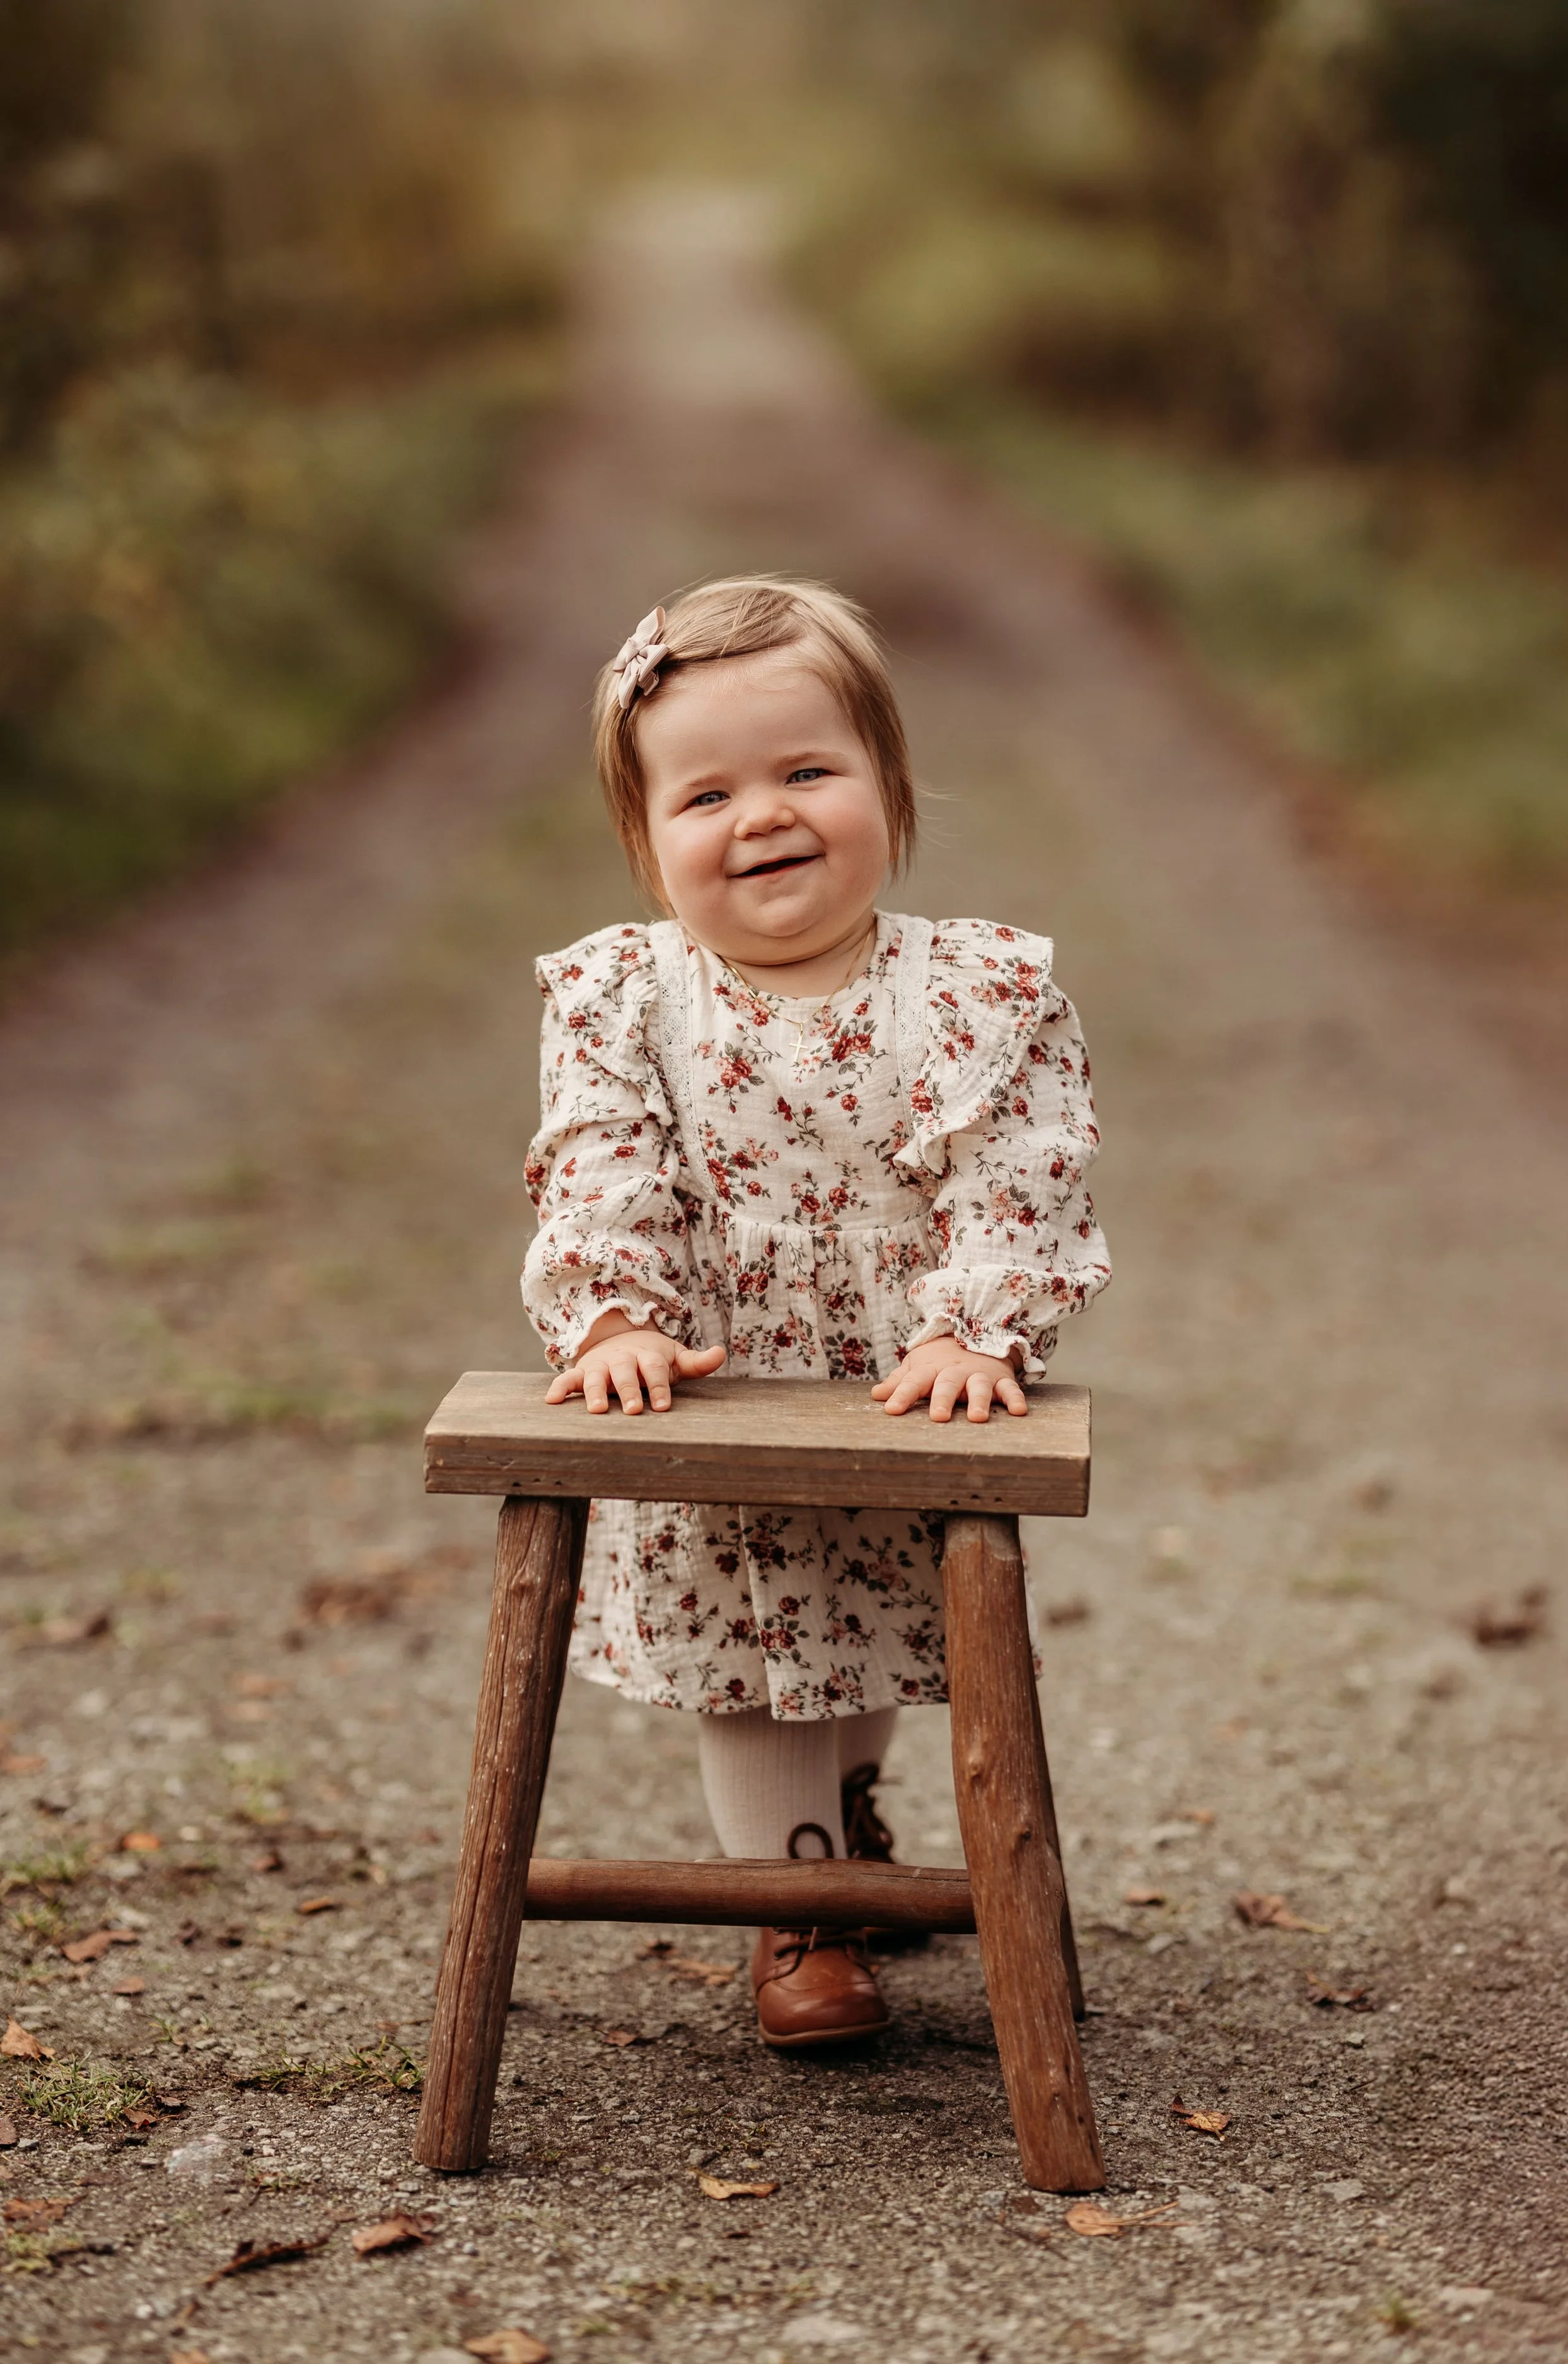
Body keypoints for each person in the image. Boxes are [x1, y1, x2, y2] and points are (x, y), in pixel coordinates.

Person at [522, 576, 1110, 2048]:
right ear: (648, 845)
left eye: (804, 772)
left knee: (878, 1620)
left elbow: (1018, 1168)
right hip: (723, 1382)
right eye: (703, 793)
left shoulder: (972, 991)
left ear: (887, 790)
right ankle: (793, 1900)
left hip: (897, 1377)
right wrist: (613, 1312)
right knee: (759, 1642)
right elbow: (599, 1157)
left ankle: (842, 1807)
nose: (760, 815)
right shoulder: (624, 998)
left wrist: (979, 1321)